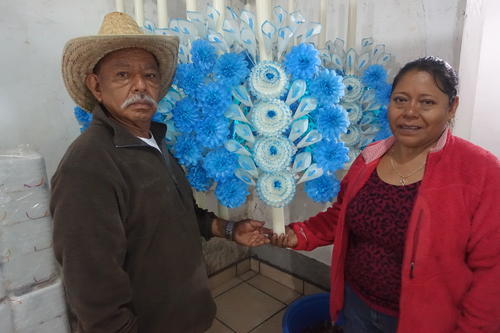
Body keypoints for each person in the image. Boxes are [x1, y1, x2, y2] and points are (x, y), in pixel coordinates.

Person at [51, 12, 270, 333]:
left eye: (150, 76)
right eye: (123, 74)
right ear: (96, 86)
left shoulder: (153, 140)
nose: (140, 85)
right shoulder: (87, 167)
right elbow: (92, 289)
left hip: (187, 313)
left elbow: (180, 214)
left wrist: (229, 230)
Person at [271, 57, 500, 333]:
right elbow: (341, 216)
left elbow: (492, 273)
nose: (410, 112)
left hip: (425, 320)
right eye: (401, 100)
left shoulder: (481, 172)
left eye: (426, 102)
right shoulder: (370, 158)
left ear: (452, 107)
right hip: (357, 303)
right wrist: (299, 233)